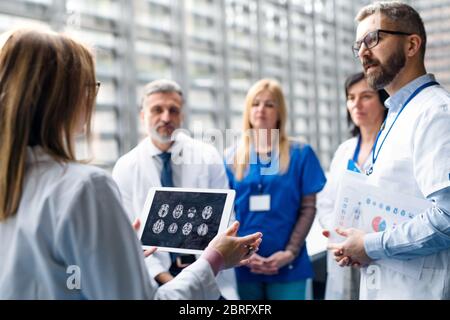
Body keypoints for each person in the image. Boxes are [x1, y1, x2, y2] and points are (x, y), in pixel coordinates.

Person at [0, 28, 262, 299]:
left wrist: (121, 249)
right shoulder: (85, 187)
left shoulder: (13, 181)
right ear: (64, 97)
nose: (92, 98)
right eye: (90, 87)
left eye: (173, 109)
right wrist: (215, 258)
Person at [327, 1, 450, 299]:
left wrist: (370, 245)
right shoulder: (395, 114)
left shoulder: (436, 112)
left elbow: (447, 217)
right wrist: (359, 244)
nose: (363, 53)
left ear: (411, 45)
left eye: (373, 39)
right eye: (358, 45)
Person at [112, 79, 239, 299]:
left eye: (173, 110)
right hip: (155, 277)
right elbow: (126, 234)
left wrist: (203, 270)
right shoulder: (125, 166)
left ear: (182, 116)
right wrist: (170, 281)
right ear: (143, 116)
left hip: (209, 271)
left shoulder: (207, 156)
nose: (166, 117)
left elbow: (225, 218)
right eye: (157, 110)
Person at [225, 78, 327, 300]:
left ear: (280, 111)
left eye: (269, 104)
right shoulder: (231, 157)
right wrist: (242, 253)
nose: (261, 109)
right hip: (243, 265)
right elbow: (225, 212)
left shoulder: (301, 153)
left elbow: (308, 208)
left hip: (289, 265)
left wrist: (289, 252)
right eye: (256, 103)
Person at [317, 72, 388, 300]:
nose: (356, 104)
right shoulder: (344, 150)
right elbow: (326, 202)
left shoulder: (393, 148)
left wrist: (366, 242)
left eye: (366, 96)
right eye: (350, 97)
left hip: (379, 252)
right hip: (343, 250)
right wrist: (338, 235)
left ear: (383, 100)